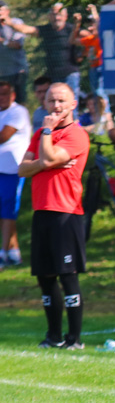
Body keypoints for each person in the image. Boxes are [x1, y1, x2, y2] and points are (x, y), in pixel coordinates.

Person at [17, 83, 90, 349]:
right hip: (42, 212)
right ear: (45, 104)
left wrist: (47, 137)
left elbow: (48, 156)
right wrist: (42, 163)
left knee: (67, 274)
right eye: (51, 101)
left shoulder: (76, 135)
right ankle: (53, 337)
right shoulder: (39, 134)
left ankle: (75, 339)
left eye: (61, 101)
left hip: (65, 213)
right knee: (45, 277)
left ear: (72, 104)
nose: (56, 106)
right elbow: (23, 169)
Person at [6, 4, 81, 100]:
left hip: (70, 74)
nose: (57, 18)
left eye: (60, 15)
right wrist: (9, 22)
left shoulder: (71, 29)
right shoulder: (46, 30)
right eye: (54, 14)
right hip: (52, 75)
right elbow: (26, 29)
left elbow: (88, 37)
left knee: (71, 102)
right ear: (49, 16)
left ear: (66, 16)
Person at [0, 81, 31, 266]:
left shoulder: (18, 112)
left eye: (4, 94)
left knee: (9, 211)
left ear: (12, 95)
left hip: (14, 170)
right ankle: (14, 252)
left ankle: (3, 254)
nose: (1, 98)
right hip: (1, 171)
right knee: (3, 211)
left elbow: (3, 136)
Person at [69, 6, 104, 101]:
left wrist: (94, 11)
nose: (90, 27)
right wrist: (76, 25)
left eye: (92, 24)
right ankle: (99, 113)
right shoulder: (89, 39)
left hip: (102, 67)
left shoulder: (100, 37)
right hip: (93, 68)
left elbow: (99, 24)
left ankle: (106, 112)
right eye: (89, 25)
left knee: (101, 92)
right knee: (95, 93)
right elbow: (72, 40)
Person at [0, 0, 29, 104]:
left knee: (19, 101)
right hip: (3, 73)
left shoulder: (16, 23)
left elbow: (17, 44)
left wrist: (3, 41)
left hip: (18, 71)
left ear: (7, 11)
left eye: (1, 10)